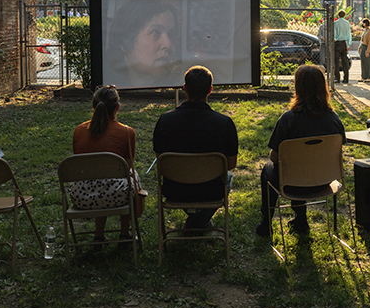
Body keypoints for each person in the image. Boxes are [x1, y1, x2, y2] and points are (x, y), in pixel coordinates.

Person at [255, 65, 346, 237]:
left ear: (298, 87)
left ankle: (266, 223)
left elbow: (274, 157)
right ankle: (300, 220)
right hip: (324, 181)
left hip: (292, 183)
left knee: (269, 170)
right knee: (304, 166)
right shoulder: (334, 119)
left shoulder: (288, 119)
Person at [152, 66, 238, 230]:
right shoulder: (224, 124)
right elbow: (231, 164)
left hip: (174, 190)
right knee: (228, 177)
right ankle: (199, 221)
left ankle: (196, 220)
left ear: (185, 89)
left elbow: (161, 161)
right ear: (210, 90)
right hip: (211, 191)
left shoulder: (165, 121)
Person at [70, 85, 139, 246]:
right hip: (117, 195)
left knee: (98, 176)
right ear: (117, 108)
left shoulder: (79, 131)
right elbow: (127, 168)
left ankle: (99, 234)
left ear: (93, 106)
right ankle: (124, 232)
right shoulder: (127, 132)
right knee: (131, 177)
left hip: (82, 197)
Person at [107, 0, 180, 88]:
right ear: (125, 40)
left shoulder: (178, 81)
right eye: (156, 32)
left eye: (171, 34)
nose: (168, 44)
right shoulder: (107, 86)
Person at [333, 10, 351, 84]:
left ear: (338, 15)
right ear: (344, 15)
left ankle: (337, 78)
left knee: (336, 61)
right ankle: (346, 78)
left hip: (337, 43)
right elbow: (349, 34)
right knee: (345, 61)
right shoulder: (347, 23)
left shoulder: (335, 23)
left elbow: (334, 34)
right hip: (344, 43)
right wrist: (348, 44)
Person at [359, 18, 370, 83]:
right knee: (363, 62)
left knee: (368, 63)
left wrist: (367, 51)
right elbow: (362, 40)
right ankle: (364, 76)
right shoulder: (365, 31)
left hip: (367, 47)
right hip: (363, 47)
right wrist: (359, 47)